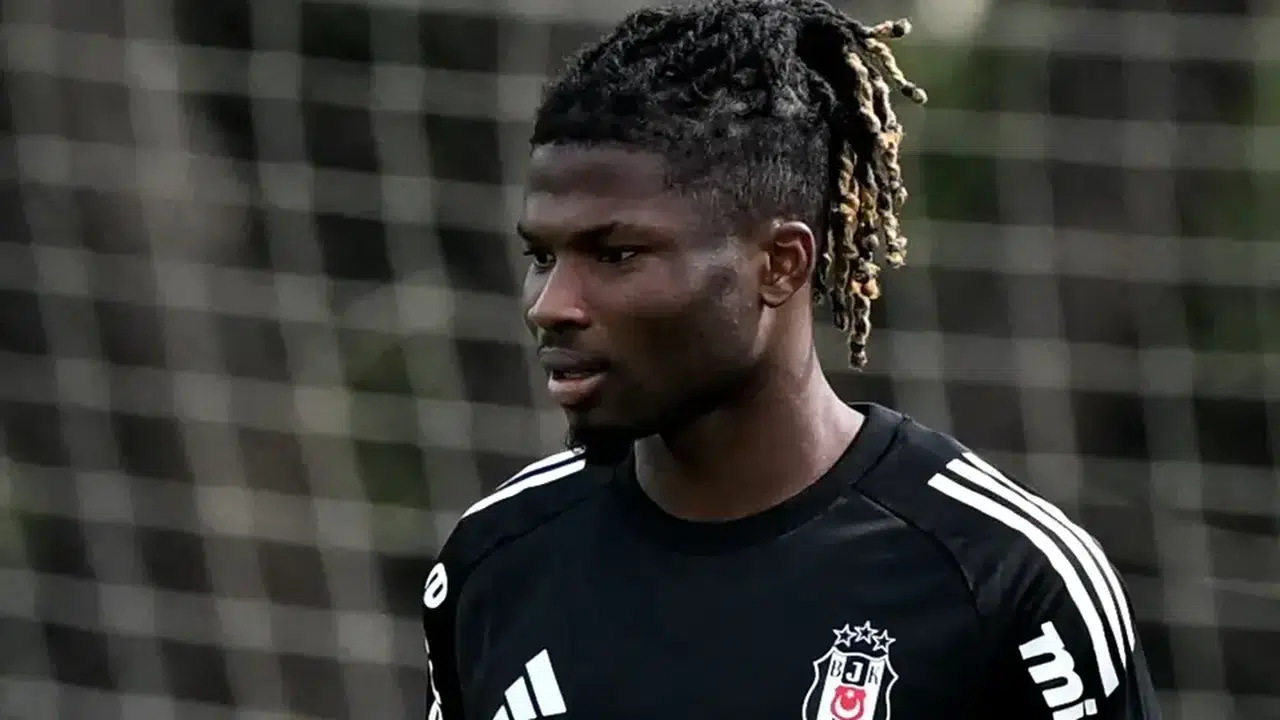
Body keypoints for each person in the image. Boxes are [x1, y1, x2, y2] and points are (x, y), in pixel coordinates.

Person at [422, 1, 1161, 718]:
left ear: (780, 264)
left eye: (616, 255)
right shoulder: (494, 558)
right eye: (541, 256)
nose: (550, 304)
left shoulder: (1004, 576)